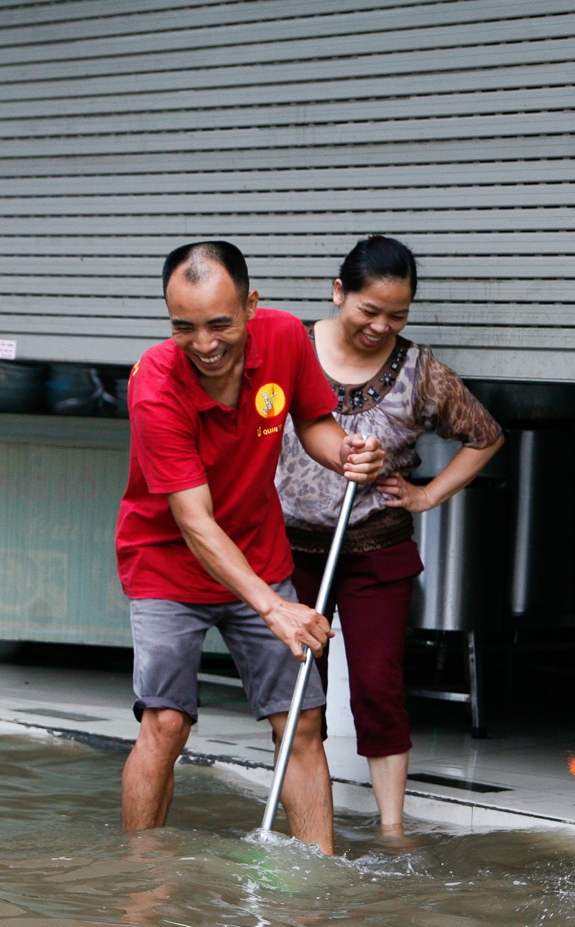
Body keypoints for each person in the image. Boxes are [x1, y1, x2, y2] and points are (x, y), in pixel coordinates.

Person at [116, 242, 384, 855]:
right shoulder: (155, 384)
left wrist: (344, 451)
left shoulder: (286, 338)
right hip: (167, 563)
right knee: (166, 721)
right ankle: (141, 874)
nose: (204, 344)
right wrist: (274, 608)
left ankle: (317, 871)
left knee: (302, 721)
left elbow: (314, 421)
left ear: (251, 306)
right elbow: (194, 523)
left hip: (259, 553)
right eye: (183, 327)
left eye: (219, 324)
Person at [275, 236, 505, 833]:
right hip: (290, 548)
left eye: (396, 315)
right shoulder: (289, 350)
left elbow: (486, 435)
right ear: (338, 293)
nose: (381, 326)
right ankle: (306, 820)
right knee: (299, 690)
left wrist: (428, 495)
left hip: (376, 546)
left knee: (378, 684)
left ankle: (392, 828)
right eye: (368, 310)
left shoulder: (419, 369)